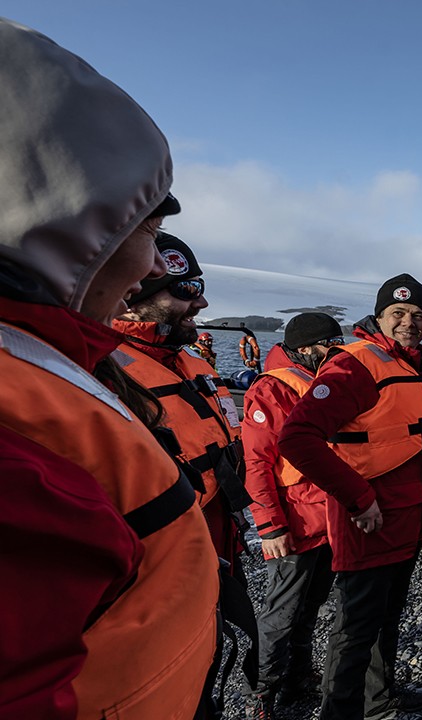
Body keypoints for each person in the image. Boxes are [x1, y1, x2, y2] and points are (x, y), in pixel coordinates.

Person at [0, 17, 218, 719]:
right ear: (67, 230)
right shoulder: (26, 439)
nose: (155, 263)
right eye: (147, 229)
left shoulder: (60, 378)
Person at [278, 274, 422, 720]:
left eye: (417, 315)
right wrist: (358, 498)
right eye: (397, 314)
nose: (408, 322)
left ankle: (378, 702)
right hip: (369, 521)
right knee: (356, 627)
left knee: (388, 614)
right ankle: (340, 713)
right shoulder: (357, 363)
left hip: (411, 517)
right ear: (378, 317)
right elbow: (298, 438)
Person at [114, 232, 251, 566]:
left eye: (199, 288)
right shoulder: (102, 371)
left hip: (218, 533)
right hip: (162, 556)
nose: (201, 303)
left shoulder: (192, 363)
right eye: (186, 290)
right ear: (132, 298)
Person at [241, 312, 346, 718]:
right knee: (281, 613)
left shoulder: (326, 385)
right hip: (294, 524)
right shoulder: (271, 392)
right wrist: (269, 526)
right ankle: (262, 694)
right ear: (305, 349)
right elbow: (256, 463)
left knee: (311, 605)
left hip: (328, 519)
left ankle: (299, 677)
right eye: (330, 345)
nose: (337, 353)